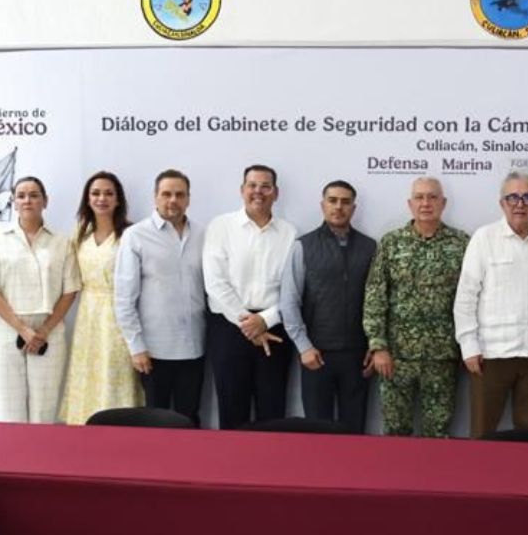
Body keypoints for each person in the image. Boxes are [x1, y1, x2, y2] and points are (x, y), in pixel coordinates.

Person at [454, 171, 528, 438]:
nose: (520, 204)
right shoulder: (484, 238)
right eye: (512, 197)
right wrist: (469, 345)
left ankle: (526, 480)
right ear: (502, 203)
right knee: (483, 431)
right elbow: (466, 295)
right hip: (491, 355)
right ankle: (479, 478)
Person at [363, 177, 469, 437]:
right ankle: (395, 478)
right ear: (410, 204)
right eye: (419, 197)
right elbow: (375, 295)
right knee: (396, 430)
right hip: (396, 357)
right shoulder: (391, 243)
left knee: (438, 431)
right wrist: (378, 346)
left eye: (432, 197)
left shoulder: (462, 243)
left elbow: (472, 298)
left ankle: (436, 478)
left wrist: (469, 347)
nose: (426, 203)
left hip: (442, 356)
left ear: (443, 203)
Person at [0, 176, 81, 423]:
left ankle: (42, 459)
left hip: (49, 330)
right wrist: (23, 330)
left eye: (34, 195)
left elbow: (70, 290)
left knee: (45, 404)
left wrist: (42, 330)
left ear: (45, 201)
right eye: (21, 195)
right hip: (8, 328)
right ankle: (9, 459)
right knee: (8, 405)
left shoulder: (61, 242)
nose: (27, 200)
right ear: (13, 202)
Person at [203, 165, 296, 429]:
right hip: (228, 329)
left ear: (276, 193)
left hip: (275, 328)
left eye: (265, 186)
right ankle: (231, 468)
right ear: (242, 190)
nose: (258, 192)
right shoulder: (221, 226)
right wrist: (249, 323)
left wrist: (264, 320)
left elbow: (292, 288)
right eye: (252, 185)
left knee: (272, 410)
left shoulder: (290, 233)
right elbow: (215, 282)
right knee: (232, 408)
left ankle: (271, 468)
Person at [279, 180, 377, 433]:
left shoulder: (370, 248)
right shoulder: (304, 246)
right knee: (317, 432)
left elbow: (378, 301)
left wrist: (374, 345)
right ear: (323, 205)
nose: (338, 207)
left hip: (358, 355)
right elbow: (289, 301)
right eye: (332, 201)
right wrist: (304, 347)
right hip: (316, 355)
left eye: (345, 202)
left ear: (353, 208)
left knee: (354, 429)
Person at [115, 169, 207, 426]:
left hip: (195, 346)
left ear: (188, 198)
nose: (173, 200)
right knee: (156, 422)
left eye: (179, 194)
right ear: (155, 197)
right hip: (153, 350)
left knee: (189, 418)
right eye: (166, 194)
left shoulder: (202, 234)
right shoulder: (136, 235)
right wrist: (136, 347)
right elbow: (124, 298)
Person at [60, 171, 141, 425]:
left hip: (119, 312)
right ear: (87, 199)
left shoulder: (130, 234)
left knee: (116, 371)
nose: (102, 198)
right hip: (88, 315)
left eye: (108, 193)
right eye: (95, 193)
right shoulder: (80, 234)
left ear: (118, 200)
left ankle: (121, 428)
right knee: (88, 372)